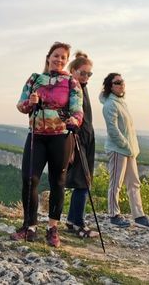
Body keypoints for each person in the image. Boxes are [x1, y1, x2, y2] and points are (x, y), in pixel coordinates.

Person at [10, 42, 83, 248]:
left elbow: (77, 109)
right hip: (36, 135)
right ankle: (29, 226)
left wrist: (75, 120)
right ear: (48, 57)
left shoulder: (71, 82)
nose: (59, 60)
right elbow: (21, 105)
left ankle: (52, 228)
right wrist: (30, 103)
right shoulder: (35, 79)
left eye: (63, 57)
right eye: (56, 55)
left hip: (61, 136)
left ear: (66, 61)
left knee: (57, 181)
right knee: (29, 179)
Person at [100, 73, 149, 229]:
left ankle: (139, 216)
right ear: (110, 86)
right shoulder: (110, 104)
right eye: (117, 82)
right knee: (116, 183)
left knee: (134, 183)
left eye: (122, 81)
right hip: (118, 149)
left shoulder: (121, 103)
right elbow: (113, 130)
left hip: (129, 151)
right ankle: (114, 215)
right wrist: (126, 145)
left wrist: (131, 148)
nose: (121, 84)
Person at [64, 52, 99, 238]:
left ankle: (72, 220)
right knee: (82, 181)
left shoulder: (82, 87)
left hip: (86, 139)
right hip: (77, 139)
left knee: (84, 180)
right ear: (72, 70)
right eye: (82, 73)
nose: (86, 77)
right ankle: (79, 223)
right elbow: (67, 116)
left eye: (89, 74)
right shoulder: (70, 88)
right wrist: (70, 145)